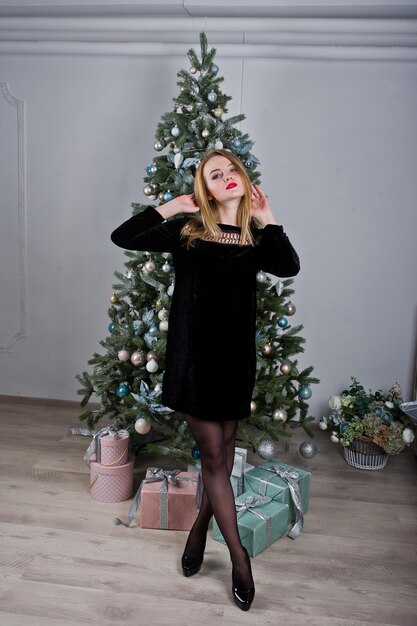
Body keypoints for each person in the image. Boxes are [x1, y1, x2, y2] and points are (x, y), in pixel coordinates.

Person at [111, 149, 300, 611]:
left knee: (225, 448)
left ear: (243, 177)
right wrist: (176, 205)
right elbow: (123, 236)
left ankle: (198, 530)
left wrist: (268, 214)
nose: (226, 177)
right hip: (193, 360)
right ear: (206, 189)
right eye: (214, 175)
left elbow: (289, 267)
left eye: (230, 169)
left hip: (235, 362)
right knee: (215, 455)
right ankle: (239, 558)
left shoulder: (257, 238)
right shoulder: (188, 232)